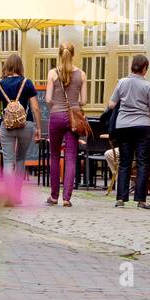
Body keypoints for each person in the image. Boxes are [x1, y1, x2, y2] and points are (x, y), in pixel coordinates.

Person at [107, 53, 150, 209]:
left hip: (123, 126)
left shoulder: (121, 82)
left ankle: (121, 199)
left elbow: (111, 104)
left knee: (124, 162)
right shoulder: (147, 86)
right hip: (143, 126)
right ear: (144, 68)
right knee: (143, 162)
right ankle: (141, 200)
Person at [45, 42, 86, 207]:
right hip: (73, 118)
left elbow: (47, 99)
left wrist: (55, 106)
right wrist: (74, 104)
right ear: (73, 54)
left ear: (59, 54)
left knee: (54, 155)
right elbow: (83, 101)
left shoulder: (52, 73)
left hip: (56, 116)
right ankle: (67, 198)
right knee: (70, 157)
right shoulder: (81, 75)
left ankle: (54, 196)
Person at [0, 53, 42, 180]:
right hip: (26, 125)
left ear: (7, 66)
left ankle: (10, 195)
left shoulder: (0, 85)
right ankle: (18, 194)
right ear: (20, 67)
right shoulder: (27, 83)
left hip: (7, 125)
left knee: (8, 160)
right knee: (20, 158)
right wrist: (39, 128)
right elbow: (35, 108)